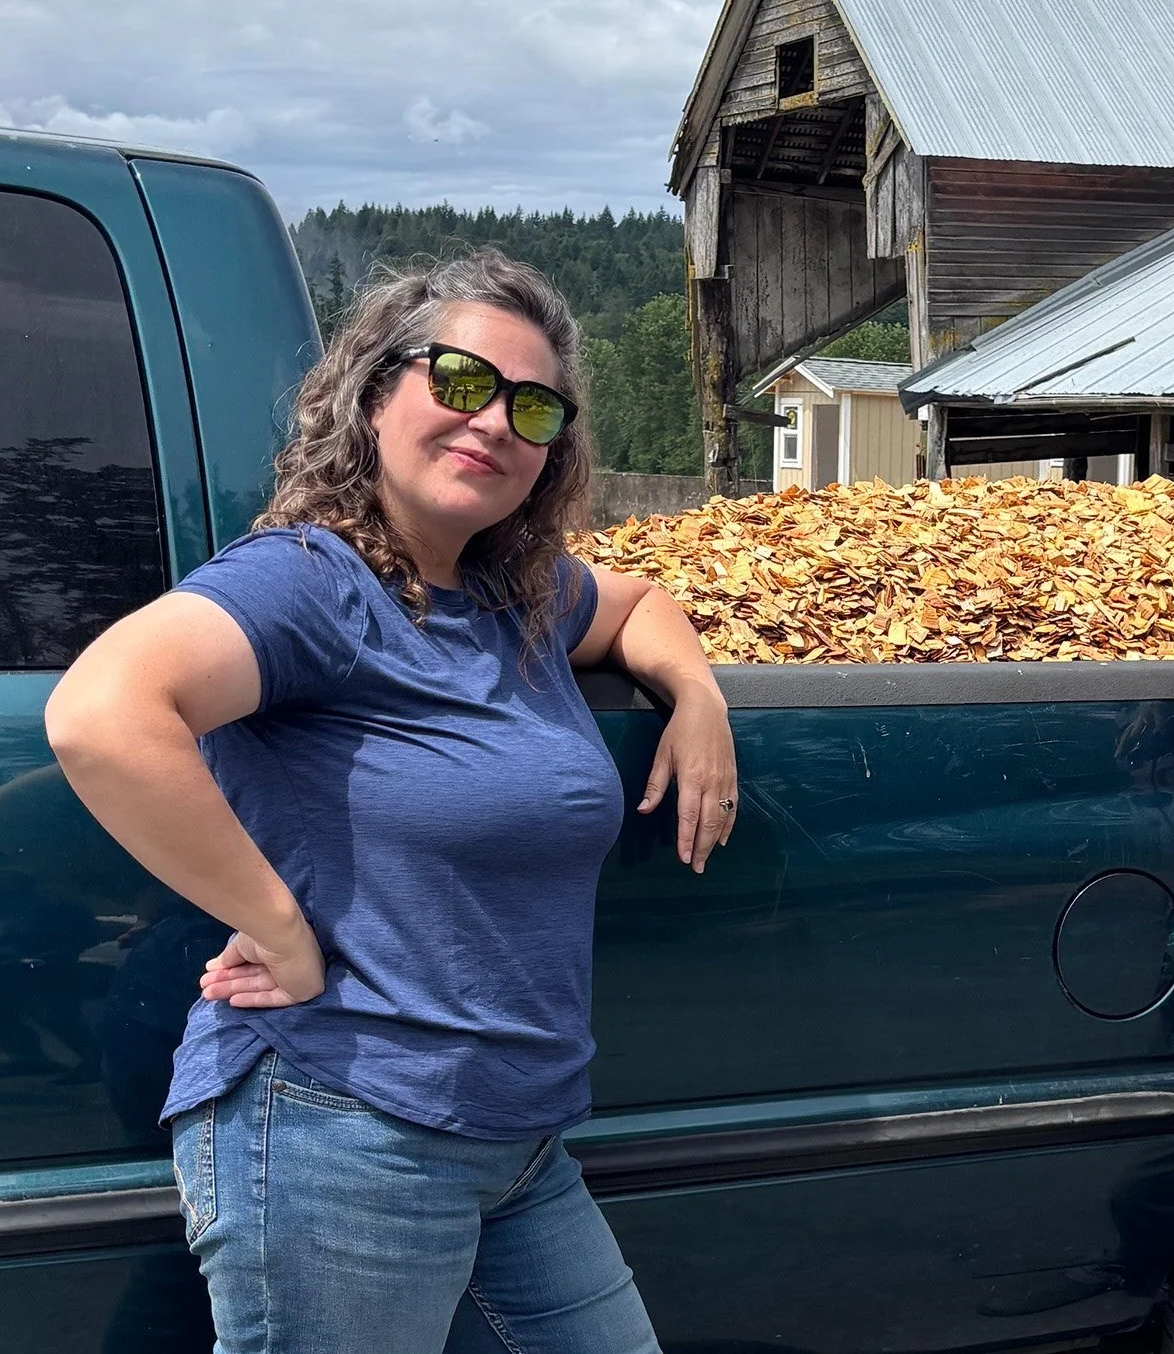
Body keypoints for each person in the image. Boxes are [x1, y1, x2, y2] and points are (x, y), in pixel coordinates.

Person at [47, 250, 735, 1354]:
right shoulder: (314, 583)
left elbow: (636, 601)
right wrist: (280, 926)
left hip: (515, 1141)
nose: (495, 421)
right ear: (374, 393)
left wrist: (695, 690)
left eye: (534, 405)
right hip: (342, 1120)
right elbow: (102, 712)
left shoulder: (515, 593)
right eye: (459, 381)